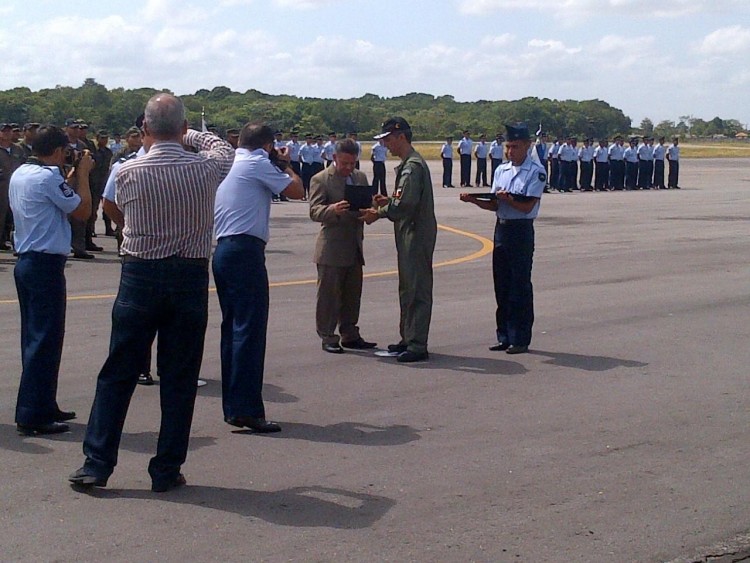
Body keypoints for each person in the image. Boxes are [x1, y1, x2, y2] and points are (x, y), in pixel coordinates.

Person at [69, 93, 234, 492]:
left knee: (117, 373)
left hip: (140, 273)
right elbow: (222, 147)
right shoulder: (206, 169)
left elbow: (113, 207)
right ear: (181, 129)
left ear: (144, 129)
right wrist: (186, 133)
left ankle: (97, 463)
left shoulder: (127, 172)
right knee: (179, 378)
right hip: (189, 275)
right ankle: (166, 468)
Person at [212, 122, 302, 433]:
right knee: (250, 331)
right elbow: (296, 190)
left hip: (224, 249)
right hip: (245, 251)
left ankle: (235, 406)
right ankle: (247, 409)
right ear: (266, 145)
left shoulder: (230, 161)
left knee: (233, 332)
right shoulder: (258, 162)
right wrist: (287, 166)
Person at [9, 125, 93, 434]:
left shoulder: (23, 173)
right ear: (58, 151)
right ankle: (33, 413)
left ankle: (42, 402)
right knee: (45, 340)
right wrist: (82, 174)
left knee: (35, 338)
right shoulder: (47, 178)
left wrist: (68, 174)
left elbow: (58, 196)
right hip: (44, 264)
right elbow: (82, 210)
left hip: (29, 261)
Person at [460, 122, 545, 355]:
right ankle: (504, 335)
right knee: (502, 285)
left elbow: (527, 207)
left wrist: (508, 200)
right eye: (508, 147)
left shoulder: (536, 171)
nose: (510, 151)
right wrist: (474, 200)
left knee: (520, 286)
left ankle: (520, 338)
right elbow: (495, 204)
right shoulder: (501, 170)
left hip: (521, 231)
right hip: (502, 229)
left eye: (515, 146)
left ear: (527, 146)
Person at [362, 117, 436, 363]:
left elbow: (404, 205)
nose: (386, 145)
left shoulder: (412, 167)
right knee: (408, 288)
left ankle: (417, 344)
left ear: (401, 137)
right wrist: (389, 202)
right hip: (409, 234)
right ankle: (408, 337)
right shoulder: (408, 164)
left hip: (415, 235)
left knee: (417, 288)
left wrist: (379, 212)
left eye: (388, 140)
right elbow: (401, 200)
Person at [310, 138, 376, 354]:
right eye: (344, 163)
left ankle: (349, 333)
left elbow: (366, 204)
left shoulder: (360, 177)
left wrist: (372, 210)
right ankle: (328, 335)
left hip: (354, 245)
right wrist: (333, 210)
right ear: (334, 158)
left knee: (352, 294)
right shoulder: (321, 179)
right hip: (332, 247)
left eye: (352, 163)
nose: (348, 167)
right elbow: (314, 211)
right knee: (329, 296)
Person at [1, 122, 25, 251]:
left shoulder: (18, 149)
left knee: (16, 216)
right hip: (1, 186)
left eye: (9, 131)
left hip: (16, 187)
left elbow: (24, 164)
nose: (7, 133)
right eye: (4, 131)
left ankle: (16, 243)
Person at [87, 130, 112, 247]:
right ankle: (91, 229)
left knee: (107, 207)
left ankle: (109, 228)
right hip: (95, 182)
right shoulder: (93, 152)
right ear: (97, 139)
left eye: (106, 138)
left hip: (105, 181)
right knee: (93, 209)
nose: (104, 140)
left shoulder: (108, 152)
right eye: (102, 138)